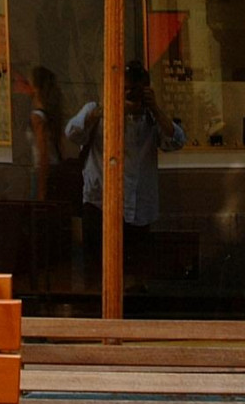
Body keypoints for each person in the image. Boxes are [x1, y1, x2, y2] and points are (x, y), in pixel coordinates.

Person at [67, 61, 187, 290]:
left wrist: (155, 108)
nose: (130, 94)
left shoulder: (151, 119)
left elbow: (176, 141)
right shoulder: (98, 111)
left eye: (136, 89)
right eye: (125, 88)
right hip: (100, 202)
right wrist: (108, 106)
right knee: (98, 274)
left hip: (138, 208)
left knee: (134, 277)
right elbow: (72, 132)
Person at [28, 66, 67, 201]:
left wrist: (41, 189)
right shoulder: (51, 114)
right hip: (54, 170)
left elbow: (43, 154)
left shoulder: (37, 117)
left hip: (43, 172)